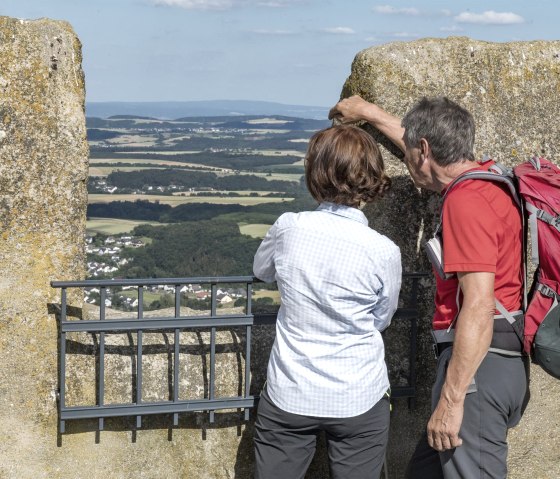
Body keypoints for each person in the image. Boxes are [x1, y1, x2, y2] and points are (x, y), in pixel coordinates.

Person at [329, 95, 529, 479]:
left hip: (476, 375)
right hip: (492, 363)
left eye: (411, 151)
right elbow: (419, 143)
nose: (406, 159)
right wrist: (369, 114)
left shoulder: (466, 203)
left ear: (424, 150)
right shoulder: (490, 179)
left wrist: (453, 401)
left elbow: (478, 306)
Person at [252, 124, 402, 479]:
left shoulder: (289, 227)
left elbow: (261, 271)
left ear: (315, 174)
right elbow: (382, 318)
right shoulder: (383, 250)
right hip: (359, 395)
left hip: (291, 390)